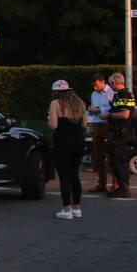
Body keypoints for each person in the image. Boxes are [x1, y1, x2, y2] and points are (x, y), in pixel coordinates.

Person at [49, 80, 87, 219]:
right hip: (77, 142)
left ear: (56, 92)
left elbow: (53, 125)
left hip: (62, 143)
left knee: (64, 176)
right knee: (75, 175)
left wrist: (50, 118)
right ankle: (77, 207)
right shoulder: (80, 104)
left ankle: (67, 209)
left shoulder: (55, 104)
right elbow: (84, 124)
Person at [103, 72, 136, 198]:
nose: (110, 86)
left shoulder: (124, 94)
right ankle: (123, 186)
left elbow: (125, 114)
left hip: (121, 133)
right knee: (120, 160)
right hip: (120, 132)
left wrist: (109, 115)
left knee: (117, 161)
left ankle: (123, 187)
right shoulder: (120, 95)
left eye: (111, 84)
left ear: (115, 83)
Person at [86, 74, 114, 192]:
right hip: (97, 124)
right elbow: (93, 111)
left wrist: (100, 110)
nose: (95, 88)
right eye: (93, 86)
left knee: (111, 155)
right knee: (98, 156)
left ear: (102, 82)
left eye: (96, 85)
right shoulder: (94, 94)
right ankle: (101, 183)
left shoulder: (111, 93)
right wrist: (91, 110)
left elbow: (113, 109)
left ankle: (115, 183)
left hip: (107, 125)